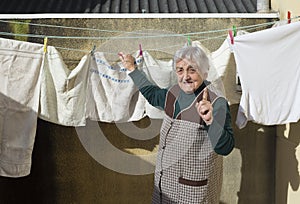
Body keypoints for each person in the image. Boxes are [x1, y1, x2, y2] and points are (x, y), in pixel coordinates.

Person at [119, 45, 234, 204]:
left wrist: (210, 121)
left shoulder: (216, 102)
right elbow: (152, 95)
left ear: (205, 72)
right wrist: (132, 68)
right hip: (165, 190)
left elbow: (226, 147)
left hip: (193, 194)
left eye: (192, 70)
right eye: (180, 70)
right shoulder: (173, 93)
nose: (185, 76)